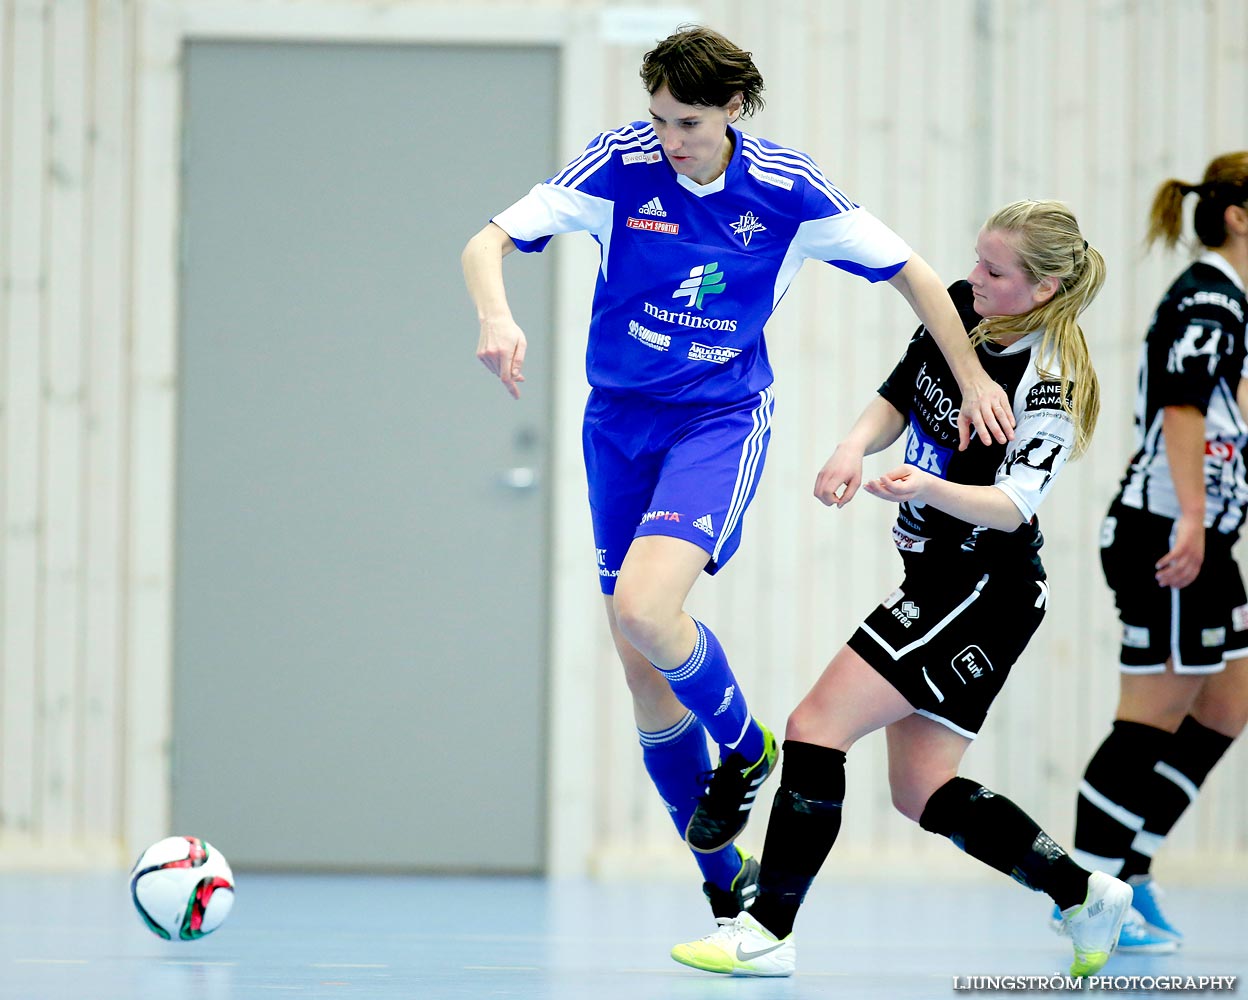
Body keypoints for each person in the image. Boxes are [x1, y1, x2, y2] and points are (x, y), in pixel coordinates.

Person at [461, 25, 1014, 927]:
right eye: (658, 119)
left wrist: (973, 375)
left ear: (733, 110)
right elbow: (485, 242)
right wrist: (496, 313)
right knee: (641, 666)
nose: (668, 139)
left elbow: (916, 274)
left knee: (646, 610)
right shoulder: (621, 164)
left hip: (717, 421)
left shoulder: (787, 190)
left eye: (686, 121)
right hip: (618, 423)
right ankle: (723, 879)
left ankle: (745, 746)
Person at [669, 200, 1134, 979]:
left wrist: (929, 484)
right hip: (948, 579)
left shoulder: (1049, 381)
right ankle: (1084, 894)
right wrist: (853, 446)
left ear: (1046, 288)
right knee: (922, 792)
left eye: (996, 270)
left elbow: (1014, 506)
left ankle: (766, 930)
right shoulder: (961, 309)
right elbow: (900, 391)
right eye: (977, 259)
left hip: (981, 582)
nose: (974, 278)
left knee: (814, 726)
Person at [1063, 153, 1248, 952]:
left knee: (1227, 704)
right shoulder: (1208, 296)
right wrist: (1197, 520)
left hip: (1203, 532)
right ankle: (1087, 898)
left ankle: (1129, 874)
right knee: (1147, 721)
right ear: (1238, 215)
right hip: (1169, 534)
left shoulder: (1230, 300)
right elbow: (1180, 411)